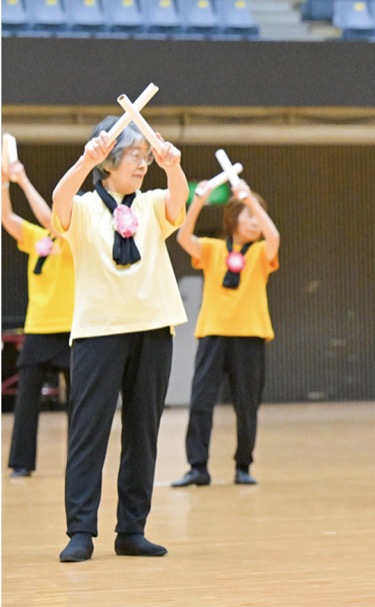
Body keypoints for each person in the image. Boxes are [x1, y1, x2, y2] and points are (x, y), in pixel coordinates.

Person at [51, 117, 188, 562]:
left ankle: (132, 529)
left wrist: (173, 167)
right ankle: (80, 531)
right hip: (99, 331)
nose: (143, 164)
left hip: (153, 327)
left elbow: (177, 205)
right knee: (88, 432)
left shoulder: (149, 204)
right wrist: (81, 161)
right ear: (108, 160)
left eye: (146, 156)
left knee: (143, 432)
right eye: (135, 155)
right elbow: (59, 203)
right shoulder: (87, 207)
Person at [171, 178, 281, 488]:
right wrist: (198, 202)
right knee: (201, 402)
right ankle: (197, 467)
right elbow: (183, 236)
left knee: (247, 404)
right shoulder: (213, 249)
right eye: (248, 215)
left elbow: (274, 236)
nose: (254, 222)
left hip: (251, 336)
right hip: (214, 334)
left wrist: (252, 201)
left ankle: (243, 465)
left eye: (257, 215)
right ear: (233, 218)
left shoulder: (260, 252)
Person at [2, 156, 74, 478]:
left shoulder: (75, 237)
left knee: (79, 403)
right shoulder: (36, 238)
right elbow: (6, 216)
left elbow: (50, 218)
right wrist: (5, 182)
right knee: (27, 398)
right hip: (40, 327)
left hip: (73, 328)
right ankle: (21, 462)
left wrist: (23, 178)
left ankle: (79, 461)